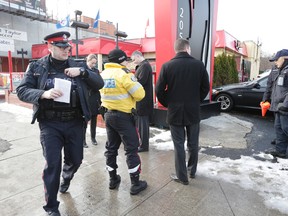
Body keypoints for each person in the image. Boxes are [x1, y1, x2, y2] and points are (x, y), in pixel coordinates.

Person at [16, 31, 104, 216]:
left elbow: (99, 83)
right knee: (52, 164)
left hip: (75, 122)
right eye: (62, 47)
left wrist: (82, 72)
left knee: (76, 160)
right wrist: (42, 94)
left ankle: (66, 177)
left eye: (68, 47)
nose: (66, 50)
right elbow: (22, 90)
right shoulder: (37, 66)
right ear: (50, 47)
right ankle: (51, 207)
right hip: (50, 124)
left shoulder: (79, 64)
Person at [155, 38, 210, 185]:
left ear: (176, 49)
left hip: (174, 111)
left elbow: (159, 90)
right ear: (187, 48)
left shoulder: (167, 66)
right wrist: (196, 99)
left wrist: (169, 103)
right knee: (193, 143)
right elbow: (206, 87)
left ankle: (182, 176)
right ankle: (192, 171)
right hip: (193, 110)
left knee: (178, 144)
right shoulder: (198, 65)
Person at [100, 48, 148, 195]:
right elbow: (140, 94)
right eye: (126, 60)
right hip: (124, 117)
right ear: (121, 60)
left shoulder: (103, 74)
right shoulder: (124, 74)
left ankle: (113, 179)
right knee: (131, 149)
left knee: (111, 148)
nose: (128, 62)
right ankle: (135, 183)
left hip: (108, 115)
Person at [264, 49, 288, 158]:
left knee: (285, 129)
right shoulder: (280, 70)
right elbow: (272, 87)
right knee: (279, 129)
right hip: (279, 107)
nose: (275, 62)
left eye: (277, 60)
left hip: (285, 108)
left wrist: (285, 105)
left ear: (285, 58)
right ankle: (281, 151)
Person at [131, 50, 153, 152]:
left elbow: (141, 82)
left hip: (143, 101)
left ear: (138, 56)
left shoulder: (144, 66)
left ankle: (144, 146)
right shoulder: (144, 65)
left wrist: (132, 80)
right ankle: (143, 144)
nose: (134, 62)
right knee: (141, 124)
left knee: (143, 125)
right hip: (142, 100)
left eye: (134, 59)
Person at [83, 54, 101, 147]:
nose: (93, 65)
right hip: (86, 97)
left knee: (94, 119)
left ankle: (93, 138)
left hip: (94, 97)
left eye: (95, 63)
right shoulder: (83, 70)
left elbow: (99, 82)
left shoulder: (96, 71)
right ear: (88, 61)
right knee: (85, 120)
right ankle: (83, 140)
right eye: (92, 63)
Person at [261, 66, 279, 145]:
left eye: (277, 60)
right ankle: (279, 139)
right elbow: (269, 84)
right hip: (275, 100)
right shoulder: (274, 69)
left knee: (284, 124)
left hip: (284, 101)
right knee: (277, 123)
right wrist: (265, 98)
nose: (275, 62)